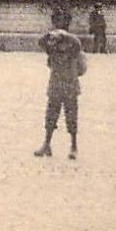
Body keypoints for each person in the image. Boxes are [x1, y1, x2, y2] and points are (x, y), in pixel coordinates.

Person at [35, 9, 88, 160]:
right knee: (50, 116)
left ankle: (74, 146)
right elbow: (40, 42)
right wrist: (51, 33)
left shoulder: (71, 43)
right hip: (56, 84)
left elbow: (78, 45)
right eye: (55, 21)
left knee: (71, 116)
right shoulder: (52, 42)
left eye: (60, 21)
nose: (58, 24)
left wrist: (65, 34)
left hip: (70, 84)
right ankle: (47, 144)